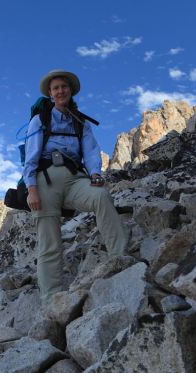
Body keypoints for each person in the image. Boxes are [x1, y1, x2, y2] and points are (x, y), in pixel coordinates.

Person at [23, 69, 129, 303]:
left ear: (70, 91)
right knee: (49, 240)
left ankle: (120, 258)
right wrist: (31, 188)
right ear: (50, 94)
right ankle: (52, 299)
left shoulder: (81, 122)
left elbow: (91, 152)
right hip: (45, 180)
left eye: (64, 87)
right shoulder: (40, 120)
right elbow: (31, 156)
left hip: (75, 179)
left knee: (101, 197)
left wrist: (95, 173)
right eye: (55, 88)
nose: (60, 91)